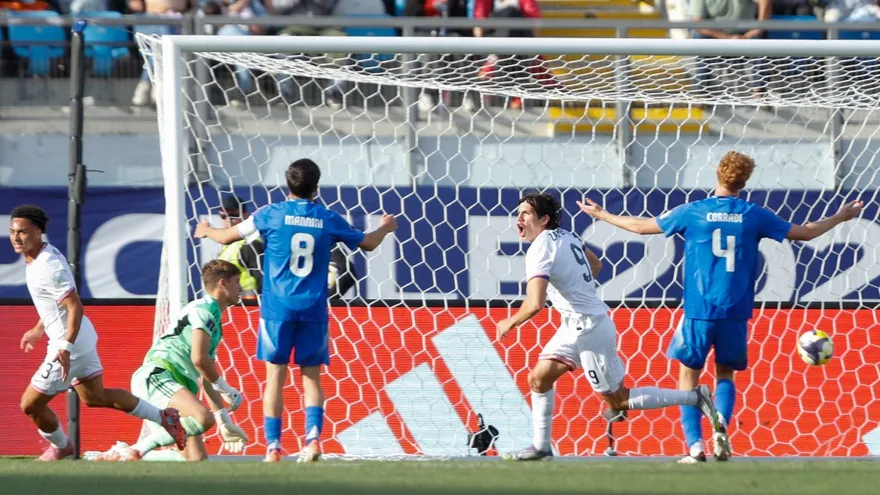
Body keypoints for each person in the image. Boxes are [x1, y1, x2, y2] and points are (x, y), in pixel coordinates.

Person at [578, 150, 864, 463]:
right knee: (725, 373)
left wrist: (603, 215)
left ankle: (695, 447)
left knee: (688, 377)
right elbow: (806, 232)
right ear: (744, 181)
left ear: (718, 173)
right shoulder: (754, 215)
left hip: (699, 310)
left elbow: (641, 227)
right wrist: (841, 216)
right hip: (736, 310)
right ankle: (721, 427)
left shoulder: (694, 211)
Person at [194, 158, 398, 462]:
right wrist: (385, 228)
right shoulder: (327, 217)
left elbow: (226, 237)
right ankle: (313, 441)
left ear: (287, 183)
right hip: (313, 309)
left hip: (277, 310)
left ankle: (273, 447)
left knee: (275, 378)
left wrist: (206, 229)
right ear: (316, 186)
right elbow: (368, 243)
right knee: (311, 378)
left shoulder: (271, 214)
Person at [497, 193, 721, 461]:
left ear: (544, 219)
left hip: (590, 327)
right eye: (518, 213)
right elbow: (596, 264)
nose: (519, 218)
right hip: (574, 324)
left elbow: (534, 304)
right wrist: (576, 289)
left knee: (619, 401)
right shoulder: (566, 236)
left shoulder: (539, 249)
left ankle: (694, 397)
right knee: (539, 379)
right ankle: (541, 448)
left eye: (526, 213)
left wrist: (510, 321)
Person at [10, 204, 185, 461]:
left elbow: (74, 306)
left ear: (38, 231)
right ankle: (164, 417)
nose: (16, 238)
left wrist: (65, 347)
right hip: (80, 338)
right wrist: (39, 329)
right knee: (95, 397)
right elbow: (54, 304)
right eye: (13, 232)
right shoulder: (37, 258)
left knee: (30, 404)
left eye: (23, 232)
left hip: (70, 344)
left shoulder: (48, 265)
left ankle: (61, 446)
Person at [87, 260, 249, 461]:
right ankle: (135, 449)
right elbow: (198, 359)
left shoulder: (214, 319)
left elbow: (206, 375)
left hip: (173, 385)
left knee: (196, 460)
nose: (241, 288)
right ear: (223, 283)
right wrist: (227, 389)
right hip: (159, 376)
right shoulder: (204, 310)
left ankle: (121, 456)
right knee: (202, 417)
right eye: (237, 281)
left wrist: (223, 420)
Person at [217, 194, 264, 297]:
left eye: (233, 215)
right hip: (230, 302)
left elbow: (262, 278)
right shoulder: (227, 245)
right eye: (223, 216)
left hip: (249, 302)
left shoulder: (251, 244)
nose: (228, 220)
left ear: (245, 215)